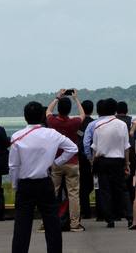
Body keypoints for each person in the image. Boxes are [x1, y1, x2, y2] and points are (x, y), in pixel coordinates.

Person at [9, 100, 77, 253]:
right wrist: (55, 162)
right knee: (52, 223)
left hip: (25, 184)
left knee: (22, 226)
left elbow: (13, 166)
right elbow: (72, 148)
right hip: (45, 182)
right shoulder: (51, 134)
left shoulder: (17, 136)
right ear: (42, 116)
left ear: (25, 117)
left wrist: (15, 185)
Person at [85, 98, 131, 228]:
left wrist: (93, 163)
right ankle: (129, 216)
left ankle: (109, 219)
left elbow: (94, 148)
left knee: (105, 190)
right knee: (122, 189)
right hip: (118, 160)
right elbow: (126, 146)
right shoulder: (122, 125)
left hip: (102, 161)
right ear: (115, 109)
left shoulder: (97, 126)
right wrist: (127, 164)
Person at [45, 89, 84, 231]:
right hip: (72, 162)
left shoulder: (53, 122)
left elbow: (48, 111)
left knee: (53, 193)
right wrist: (76, 99)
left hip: (56, 161)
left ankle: (48, 223)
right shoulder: (74, 123)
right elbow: (82, 115)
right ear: (69, 110)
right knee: (73, 194)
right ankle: (74, 224)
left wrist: (57, 97)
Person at [78, 100, 95, 221]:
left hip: (80, 157)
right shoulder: (94, 123)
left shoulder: (78, 123)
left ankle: (85, 210)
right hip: (94, 157)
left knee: (82, 186)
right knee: (93, 185)